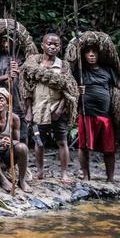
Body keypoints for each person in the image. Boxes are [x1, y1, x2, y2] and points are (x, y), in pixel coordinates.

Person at [22, 33, 79, 183]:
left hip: (57, 108)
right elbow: (27, 89)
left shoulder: (63, 65)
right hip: (38, 108)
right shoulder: (34, 64)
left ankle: (64, 173)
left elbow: (69, 91)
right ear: (42, 45)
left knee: (62, 141)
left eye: (56, 44)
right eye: (49, 44)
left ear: (60, 47)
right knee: (39, 142)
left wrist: (60, 110)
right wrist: (28, 111)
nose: (52, 47)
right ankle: (40, 171)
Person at [0, 21, 41, 156]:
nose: (5, 45)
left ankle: (21, 153)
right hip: (3, 97)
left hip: (18, 98)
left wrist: (19, 70)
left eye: (8, 42)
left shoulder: (22, 58)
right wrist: (6, 76)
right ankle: (5, 155)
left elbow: (29, 77)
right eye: (3, 42)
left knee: (22, 127)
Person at [72, 46, 120, 181]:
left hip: (104, 115)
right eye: (88, 52)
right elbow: (71, 88)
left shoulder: (108, 70)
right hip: (86, 112)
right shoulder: (79, 71)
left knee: (109, 148)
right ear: (84, 55)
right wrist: (78, 90)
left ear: (99, 55)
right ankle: (85, 176)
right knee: (83, 146)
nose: (91, 55)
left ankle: (110, 178)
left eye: (94, 52)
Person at [0, 87, 31, 192]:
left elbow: (17, 141)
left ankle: (21, 180)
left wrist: (10, 142)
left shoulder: (14, 118)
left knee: (22, 147)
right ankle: (2, 178)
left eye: (1, 99)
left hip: (7, 154)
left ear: (7, 103)